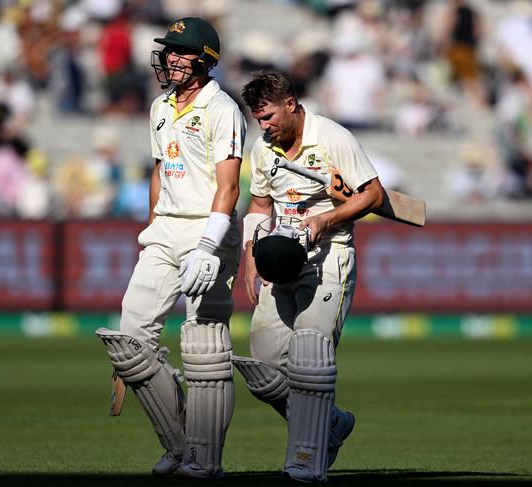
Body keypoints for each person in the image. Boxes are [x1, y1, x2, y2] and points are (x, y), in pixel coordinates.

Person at [96, 17, 246, 479]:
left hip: (209, 230)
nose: (171, 58)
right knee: (129, 341)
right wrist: (153, 227)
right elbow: (160, 172)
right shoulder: (160, 106)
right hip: (165, 231)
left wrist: (207, 246)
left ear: (205, 60)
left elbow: (229, 185)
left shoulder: (222, 109)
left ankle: (206, 460)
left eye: (181, 52)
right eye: (169, 51)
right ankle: (181, 444)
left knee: (204, 348)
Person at [233, 71, 385, 483]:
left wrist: (327, 217)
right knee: (264, 369)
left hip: (330, 256)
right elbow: (259, 203)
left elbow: (374, 194)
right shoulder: (262, 148)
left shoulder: (333, 137)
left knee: (310, 358)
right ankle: (330, 423)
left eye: (267, 116)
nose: (263, 126)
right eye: (257, 119)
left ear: (291, 104)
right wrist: (251, 259)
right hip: (281, 259)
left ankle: (305, 461)